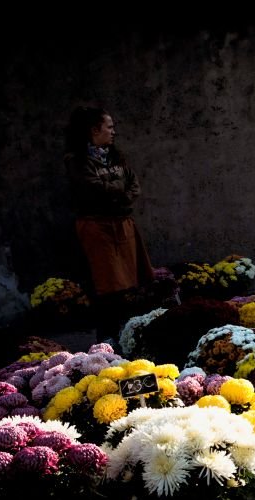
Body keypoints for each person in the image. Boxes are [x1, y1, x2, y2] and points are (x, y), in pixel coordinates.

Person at [64, 106, 154, 344]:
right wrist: (118, 188)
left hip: (122, 225)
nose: (114, 132)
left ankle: (129, 336)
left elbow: (133, 185)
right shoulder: (78, 160)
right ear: (95, 130)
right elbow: (93, 189)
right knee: (107, 286)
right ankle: (107, 340)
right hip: (98, 228)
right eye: (109, 127)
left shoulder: (116, 157)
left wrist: (117, 190)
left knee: (130, 285)